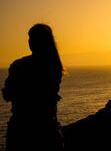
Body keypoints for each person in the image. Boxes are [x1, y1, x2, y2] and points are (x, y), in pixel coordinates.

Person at [2, 23, 65, 151]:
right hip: (48, 128)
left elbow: (7, 95)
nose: (30, 42)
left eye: (33, 38)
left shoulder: (18, 65)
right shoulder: (55, 65)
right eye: (29, 38)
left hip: (22, 129)